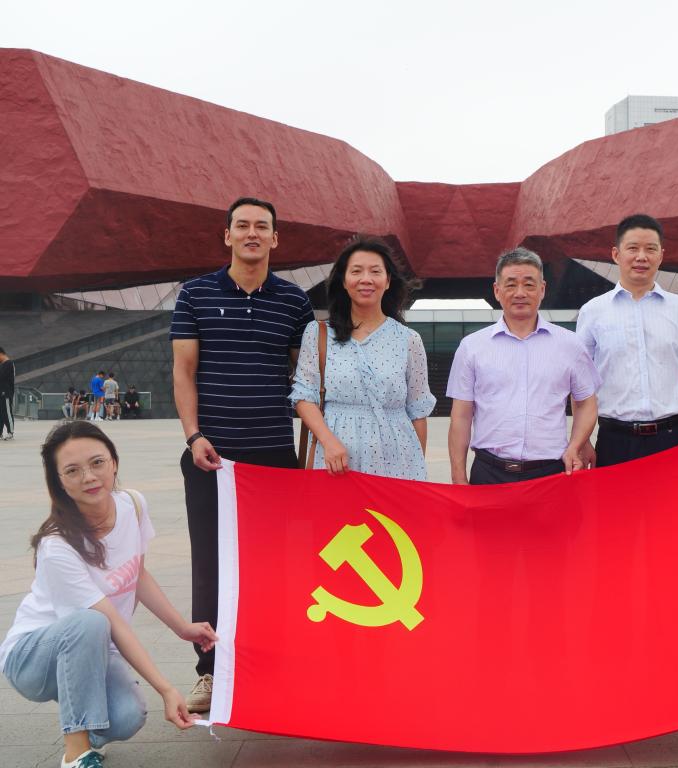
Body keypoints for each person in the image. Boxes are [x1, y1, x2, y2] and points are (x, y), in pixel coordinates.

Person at [0, 421, 217, 768]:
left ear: (114, 462)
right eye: (72, 470)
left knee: (128, 716)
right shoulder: (57, 546)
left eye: (97, 462)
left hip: (91, 645)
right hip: (32, 657)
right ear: (58, 481)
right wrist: (165, 688)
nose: (89, 477)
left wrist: (182, 628)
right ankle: (76, 753)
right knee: (91, 622)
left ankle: (81, 712)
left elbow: (138, 574)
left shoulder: (132, 504)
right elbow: (110, 621)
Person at [170, 196, 313, 712]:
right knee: (209, 565)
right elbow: (184, 370)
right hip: (212, 455)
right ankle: (210, 672)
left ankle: (273, 663)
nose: (252, 233)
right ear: (227, 235)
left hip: (274, 457)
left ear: (275, 238)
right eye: (243, 225)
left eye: (262, 226)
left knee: (274, 566)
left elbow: (305, 380)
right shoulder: (196, 293)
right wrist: (194, 435)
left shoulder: (294, 302)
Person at [447, 247, 600, 484]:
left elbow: (586, 403)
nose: (520, 293)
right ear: (497, 291)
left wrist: (576, 445)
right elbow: (461, 416)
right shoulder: (471, 347)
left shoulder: (571, 345)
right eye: (510, 285)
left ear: (542, 289)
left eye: (529, 285)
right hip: (489, 474)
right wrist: (458, 475)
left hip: (551, 473)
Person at [291, 235, 435, 478]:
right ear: (344, 281)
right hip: (335, 461)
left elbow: (417, 411)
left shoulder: (409, 339)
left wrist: (416, 472)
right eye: (356, 271)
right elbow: (304, 396)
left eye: (375, 271)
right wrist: (328, 441)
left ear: (387, 281)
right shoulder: (318, 333)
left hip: (397, 463)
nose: (366, 279)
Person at [575, 214, 678, 467]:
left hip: (673, 438)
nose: (641, 257)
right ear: (616, 254)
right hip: (615, 441)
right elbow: (581, 383)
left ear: (661, 255)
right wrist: (582, 442)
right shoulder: (592, 312)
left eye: (650, 249)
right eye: (633, 248)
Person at [1, 346, 15, 439]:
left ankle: (10, 431)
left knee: (7, 412)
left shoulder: (8, 363)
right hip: (1, 392)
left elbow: (2, 376)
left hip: (6, 392)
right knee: (1, 413)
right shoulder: (2, 364)